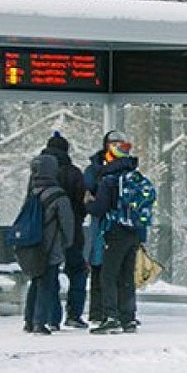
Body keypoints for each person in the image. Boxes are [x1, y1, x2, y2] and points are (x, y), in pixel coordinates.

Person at [85, 136, 149, 334]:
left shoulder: (109, 180)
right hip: (134, 232)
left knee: (108, 275)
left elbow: (99, 208)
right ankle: (128, 318)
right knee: (126, 276)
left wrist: (88, 202)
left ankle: (110, 316)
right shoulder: (136, 177)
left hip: (114, 232)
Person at [22, 153, 75, 335]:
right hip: (51, 246)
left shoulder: (32, 192)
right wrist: (68, 243)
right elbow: (67, 224)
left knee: (35, 282)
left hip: (32, 246)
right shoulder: (58, 194)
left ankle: (28, 320)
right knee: (47, 283)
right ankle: (40, 322)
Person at [41, 132, 88, 328]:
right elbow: (82, 202)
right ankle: (74, 314)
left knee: (50, 272)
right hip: (73, 230)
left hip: (47, 233)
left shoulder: (40, 173)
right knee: (77, 270)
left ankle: (52, 317)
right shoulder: (73, 172)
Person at [82, 129, 125, 323]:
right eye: (113, 143)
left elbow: (91, 197)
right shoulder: (100, 169)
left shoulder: (102, 169)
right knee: (101, 268)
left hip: (109, 226)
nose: (116, 147)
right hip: (106, 226)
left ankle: (109, 311)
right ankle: (101, 311)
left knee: (109, 270)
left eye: (120, 143)